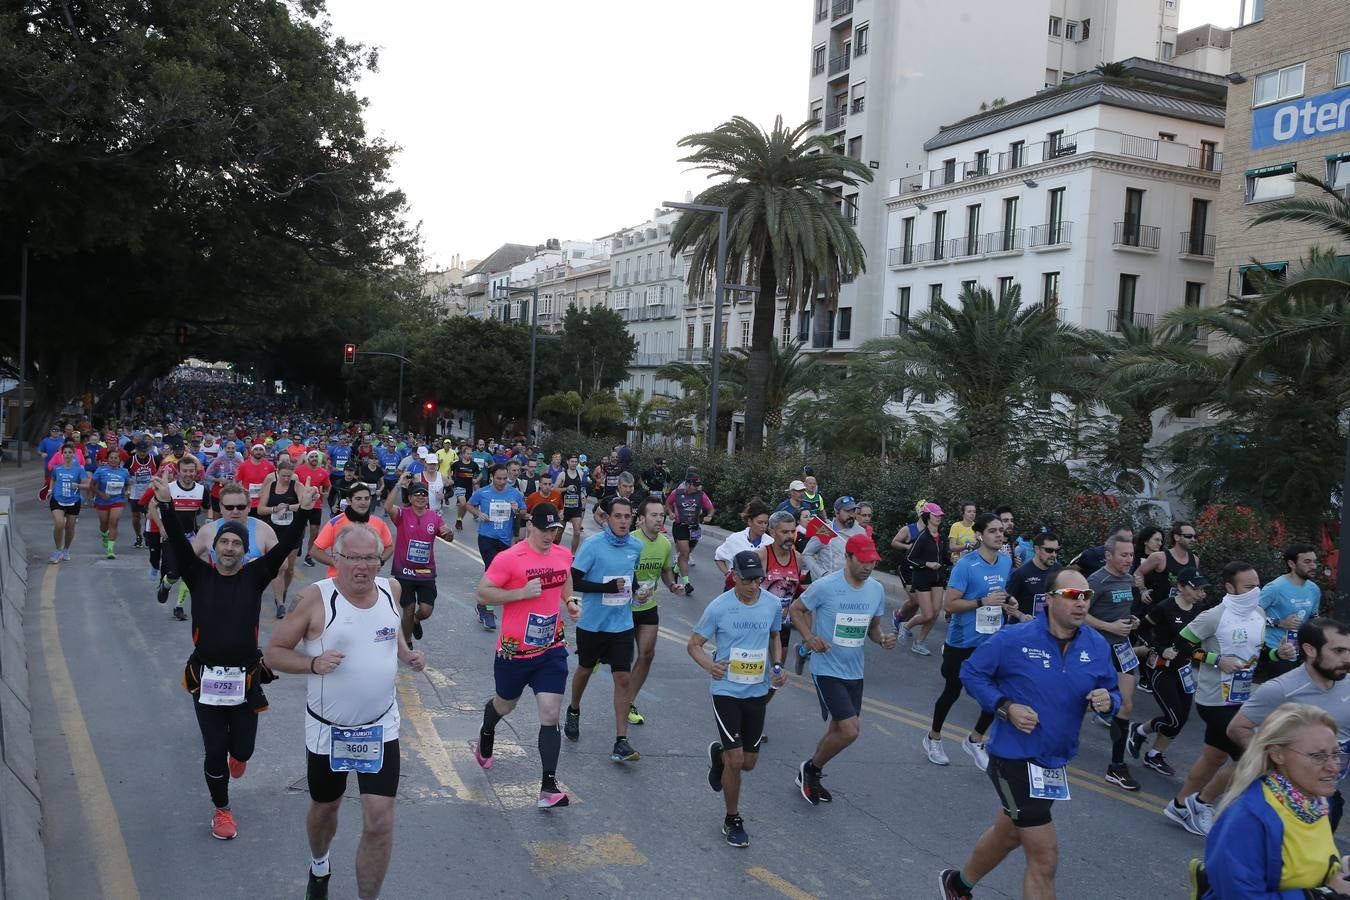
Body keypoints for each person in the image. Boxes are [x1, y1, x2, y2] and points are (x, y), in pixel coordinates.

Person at [264, 524, 427, 900]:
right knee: (326, 808)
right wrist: (313, 663)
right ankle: (319, 864)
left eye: (369, 558)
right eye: (352, 558)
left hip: (380, 728)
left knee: (380, 822)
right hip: (329, 731)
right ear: (335, 559)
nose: (362, 567)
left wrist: (406, 654)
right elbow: (274, 652)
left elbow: (391, 630)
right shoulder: (314, 599)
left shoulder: (392, 589)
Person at [938, 568, 1121, 900]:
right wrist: (1005, 706)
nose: (1081, 604)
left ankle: (957, 884)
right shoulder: (1014, 639)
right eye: (1072, 596)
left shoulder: (1096, 645)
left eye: (1086, 597)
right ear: (1049, 601)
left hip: (1053, 761)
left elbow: (1111, 692)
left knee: (1008, 834)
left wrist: (1109, 701)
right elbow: (972, 672)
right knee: (1045, 857)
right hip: (1013, 759)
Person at [153, 475, 316, 842]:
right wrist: (165, 505)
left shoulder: (255, 576)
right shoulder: (198, 575)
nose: (229, 548)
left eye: (236, 543)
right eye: (223, 542)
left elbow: (286, 546)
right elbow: (179, 544)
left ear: (245, 551)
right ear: (214, 550)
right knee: (214, 751)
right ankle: (222, 809)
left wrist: (304, 512)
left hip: (245, 680)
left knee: (242, 749)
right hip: (205, 679)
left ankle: (238, 757)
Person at [472, 504, 577, 808]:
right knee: (505, 704)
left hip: (550, 649)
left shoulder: (561, 554)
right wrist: (519, 593)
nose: (549, 536)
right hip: (513, 653)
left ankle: (548, 787)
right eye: (544, 530)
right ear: (530, 526)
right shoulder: (510, 558)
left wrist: (569, 600)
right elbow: (482, 592)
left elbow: (564, 577)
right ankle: (487, 729)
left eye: (554, 531)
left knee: (550, 714)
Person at [1162, 561, 1270, 837]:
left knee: (1213, 757)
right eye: (1248, 587)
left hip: (1242, 698)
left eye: (1257, 585)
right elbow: (1180, 646)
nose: (1254, 591)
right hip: (1215, 700)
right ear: (1230, 588)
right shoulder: (1214, 616)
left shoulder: (1258, 613)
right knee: (1252, 759)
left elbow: (1256, 655)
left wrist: (1277, 655)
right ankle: (1202, 804)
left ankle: (1178, 806)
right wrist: (1216, 659)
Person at [688, 550, 788, 848]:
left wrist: (778, 666)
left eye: (758, 579)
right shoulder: (719, 607)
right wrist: (710, 665)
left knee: (749, 763)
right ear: (735, 577)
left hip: (757, 690)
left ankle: (719, 755)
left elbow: (775, 637)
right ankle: (732, 818)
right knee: (736, 760)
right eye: (747, 579)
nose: (754, 585)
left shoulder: (771, 605)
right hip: (727, 691)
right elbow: (694, 645)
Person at [1201, 704, 1350, 900]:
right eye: (1318, 756)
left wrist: (1340, 869)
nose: (1334, 767)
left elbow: (1301, 869)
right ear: (1277, 754)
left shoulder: (1317, 804)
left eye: (1336, 754)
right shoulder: (1250, 818)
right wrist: (1322, 895)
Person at [789, 533, 895, 805]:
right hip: (827, 668)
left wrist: (882, 639)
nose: (869, 567)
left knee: (839, 729)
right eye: (863, 561)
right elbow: (796, 609)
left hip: (855, 670)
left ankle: (810, 772)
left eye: (873, 561)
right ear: (848, 557)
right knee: (850, 730)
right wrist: (810, 638)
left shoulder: (876, 590)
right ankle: (811, 769)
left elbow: (872, 628)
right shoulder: (826, 586)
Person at [1227, 618, 1350, 832]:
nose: (1347, 659)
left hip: (1326, 796)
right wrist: (1274, 765)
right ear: (1310, 650)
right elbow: (1238, 728)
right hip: (1286, 800)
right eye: (1339, 651)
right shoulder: (1281, 689)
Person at [924, 513, 1019, 770]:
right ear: (979, 535)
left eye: (1001, 531)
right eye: (993, 531)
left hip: (992, 641)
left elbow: (999, 591)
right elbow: (950, 605)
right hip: (963, 641)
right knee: (952, 690)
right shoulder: (965, 566)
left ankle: (975, 739)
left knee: (996, 694)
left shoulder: (1004, 562)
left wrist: (1009, 602)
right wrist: (981, 602)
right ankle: (933, 737)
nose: (1000, 535)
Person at [564, 496, 643, 762]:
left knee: (622, 678)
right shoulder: (593, 545)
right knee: (585, 670)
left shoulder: (636, 545)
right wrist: (605, 588)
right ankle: (574, 708)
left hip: (622, 624)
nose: (623, 521)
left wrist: (639, 592)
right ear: (607, 518)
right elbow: (575, 582)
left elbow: (633, 577)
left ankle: (621, 741)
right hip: (593, 624)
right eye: (618, 516)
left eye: (627, 516)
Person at [1126, 573, 1211, 777]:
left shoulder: (1202, 612)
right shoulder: (1164, 607)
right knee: (1173, 719)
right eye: (1197, 589)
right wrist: (1159, 648)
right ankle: (1138, 730)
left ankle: (1154, 754)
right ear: (1181, 587)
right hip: (1161, 669)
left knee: (1181, 718)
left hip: (1184, 670)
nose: (1201, 593)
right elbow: (1141, 631)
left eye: (1203, 590)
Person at [1085, 533, 1143, 791]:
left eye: (1131, 555)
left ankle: (1116, 766)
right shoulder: (1096, 580)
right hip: (1097, 650)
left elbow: (1123, 610)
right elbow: (1079, 614)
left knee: (1126, 705)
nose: (1129, 559)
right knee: (1080, 702)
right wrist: (1108, 626)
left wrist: (1132, 622)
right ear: (1109, 555)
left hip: (1122, 649)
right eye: (1124, 555)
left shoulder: (1129, 579)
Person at [626, 497, 685, 726]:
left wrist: (672, 585)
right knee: (621, 659)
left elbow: (666, 570)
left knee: (647, 655)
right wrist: (632, 590)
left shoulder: (665, 544)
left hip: (648, 607)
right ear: (640, 519)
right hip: (623, 608)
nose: (659, 519)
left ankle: (629, 702)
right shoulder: (630, 542)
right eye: (654, 515)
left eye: (661, 515)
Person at [384, 475, 453, 646]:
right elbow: (387, 507)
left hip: (426, 572)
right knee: (407, 609)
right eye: (417, 494)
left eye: (424, 494)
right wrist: (399, 485)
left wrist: (449, 533)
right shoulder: (402, 514)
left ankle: (416, 620)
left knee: (426, 610)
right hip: (404, 571)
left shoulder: (434, 518)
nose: (421, 497)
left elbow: (448, 537)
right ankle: (407, 643)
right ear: (410, 498)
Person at [466, 464, 526, 630]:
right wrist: (478, 514)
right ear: (492, 477)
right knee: (492, 574)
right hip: (487, 537)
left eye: (504, 478)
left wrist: (517, 510)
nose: (501, 482)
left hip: (505, 539)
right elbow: (469, 505)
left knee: (504, 576)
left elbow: (523, 511)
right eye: (498, 478)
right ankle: (488, 610)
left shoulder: (514, 493)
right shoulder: (483, 492)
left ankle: (482, 604)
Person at [1257, 544, 1322, 683]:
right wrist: (1280, 623)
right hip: (1276, 649)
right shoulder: (1274, 588)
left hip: (1301, 650)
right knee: (1282, 696)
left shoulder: (1314, 589)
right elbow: (1249, 617)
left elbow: (1313, 617)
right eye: (1307, 562)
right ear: (1292, 564)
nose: (1313, 566)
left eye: (1314, 561)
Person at [308, 484, 394, 578]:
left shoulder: (379, 523)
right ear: (349, 501)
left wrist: (380, 561)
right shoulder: (336, 522)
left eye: (367, 498)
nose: (363, 502)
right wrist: (339, 563)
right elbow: (315, 551)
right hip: (338, 580)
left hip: (366, 581)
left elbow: (389, 547)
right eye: (358, 499)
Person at [158, 455, 206, 619]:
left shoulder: (201, 490)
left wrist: (209, 524)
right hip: (171, 537)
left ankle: (179, 606)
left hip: (191, 538)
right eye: (185, 471)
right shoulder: (169, 489)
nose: (188, 474)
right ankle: (165, 585)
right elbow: (153, 506)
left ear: (196, 472)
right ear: (178, 472)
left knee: (188, 572)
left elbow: (209, 509)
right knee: (174, 573)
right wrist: (161, 527)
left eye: (191, 471)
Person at [896, 504, 945, 657]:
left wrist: (952, 560)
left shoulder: (940, 536)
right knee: (928, 614)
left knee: (936, 613)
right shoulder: (923, 537)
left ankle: (919, 643)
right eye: (935, 514)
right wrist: (927, 564)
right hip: (922, 579)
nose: (939, 517)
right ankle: (906, 625)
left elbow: (943, 556)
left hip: (937, 579)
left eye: (940, 515)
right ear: (927, 516)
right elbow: (910, 558)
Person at [759, 510, 805, 674]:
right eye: (784, 532)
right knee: (757, 673)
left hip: (781, 625)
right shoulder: (762, 555)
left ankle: (763, 701)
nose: (790, 536)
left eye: (793, 531)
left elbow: (796, 589)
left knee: (777, 674)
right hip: (759, 624)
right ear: (772, 531)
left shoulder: (798, 558)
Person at [257, 456, 303, 619]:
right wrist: (275, 509)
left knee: (289, 569)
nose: (285, 478)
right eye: (283, 475)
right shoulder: (271, 485)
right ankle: (280, 603)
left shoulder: (297, 486)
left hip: (292, 532)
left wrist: (289, 507)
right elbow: (261, 509)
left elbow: (304, 505)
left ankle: (282, 593)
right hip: (274, 531)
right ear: (277, 473)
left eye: (288, 476)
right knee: (280, 567)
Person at [192, 483, 277, 564]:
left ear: (249, 506)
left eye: (241, 507)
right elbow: (187, 559)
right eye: (229, 507)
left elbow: (283, 564)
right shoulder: (207, 531)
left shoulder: (264, 529)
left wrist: (260, 563)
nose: (235, 511)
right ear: (221, 507)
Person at [666, 469, 714, 595]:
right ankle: (687, 584)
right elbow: (668, 503)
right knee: (685, 553)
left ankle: (675, 570)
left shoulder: (701, 495)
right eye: (695, 485)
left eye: (699, 485)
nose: (697, 487)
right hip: (680, 526)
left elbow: (710, 508)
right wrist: (670, 513)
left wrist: (709, 516)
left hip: (694, 528)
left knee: (687, 553)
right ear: (688, 484)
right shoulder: (676, 493)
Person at [1134, 521, 1200, 606]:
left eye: (1195, 537)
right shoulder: (1159, 557)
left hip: (1186, 610)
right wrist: (1142, 591)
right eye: (1188, 536)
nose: (1193, 539)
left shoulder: (1195, 559)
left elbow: (1195, 583)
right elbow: (1138, 572)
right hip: (1161, 610)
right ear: (1176, 537)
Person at [47, 444, 90, 563]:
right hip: (57, 499)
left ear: (73, 454)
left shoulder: (79, 469)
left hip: (73, 501)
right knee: (59, 523)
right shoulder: (57, 468)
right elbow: (53, 479)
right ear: (62, 454)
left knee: (70, 527)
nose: (67, 455)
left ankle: (66, 549)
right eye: (65, 452)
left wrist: (78, 486)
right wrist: (50, 490)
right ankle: (57, 551)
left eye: (69, 452)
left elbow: (87, 485)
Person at [1004, 530, 1061, 619]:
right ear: (1037, 549)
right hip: (1025, 629)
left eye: (1056, 551)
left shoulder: (1060, 571)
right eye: (1049, 550)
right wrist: (1021, 616)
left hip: (1049, 627)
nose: (1053, 554)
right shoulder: (1021, 573)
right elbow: (1005, 602)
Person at [714, 499, 773, 580]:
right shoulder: (735, 539)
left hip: (758, 590)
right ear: (750, 521)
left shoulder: (771, 543)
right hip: (735, 589)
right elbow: (718, 558)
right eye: (760, 522)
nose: (763, 526)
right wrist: (728, 575)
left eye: (766, 523)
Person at [294, 450, 331, 567]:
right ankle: (297, 546)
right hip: (302, 504)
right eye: (312, 457)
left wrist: (326, 493)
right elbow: (293, 484)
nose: (314, 458)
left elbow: (328, 486)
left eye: (316, 457)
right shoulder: (299, 470)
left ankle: (308, 556)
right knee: (300, 530)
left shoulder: (323, 472)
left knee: (315, 531)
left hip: (316, 505)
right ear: (307, 458)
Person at [91, 449, 129, 559]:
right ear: (107, 459)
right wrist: (100, 494)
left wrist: (127, 491)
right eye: (111, 458)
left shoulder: (124, 472)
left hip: (117, 500)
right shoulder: (100, 470)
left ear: (119, 460)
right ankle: (104, 535)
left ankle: (110, 550)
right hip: (102, 501)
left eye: (115, 458)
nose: (113, 460)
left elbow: (127, 484)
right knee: (104, 524)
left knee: (114, 521)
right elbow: (92, 485)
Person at [125, 438, 160, 548]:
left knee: (150, 516)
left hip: (150, 492)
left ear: (148, 450)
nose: (142, 453)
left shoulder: (154, 459)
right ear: (136, 450)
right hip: (136, 493)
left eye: (144, 451)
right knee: (136, 517)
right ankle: (138, 535)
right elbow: (124, 474)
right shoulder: (131, 460)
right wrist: (128, 484)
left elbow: (161, 472)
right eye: (140, 451)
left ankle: (148, 534)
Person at [557, 454, 587, 553]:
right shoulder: (563, 474)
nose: (574, 463)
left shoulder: (581, 473)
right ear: (568, 462)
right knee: (560, 531)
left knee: (577, 532)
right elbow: (554, 489)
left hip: (576, 507)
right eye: (572, 461)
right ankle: (554, 550)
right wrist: (566, 488)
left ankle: (572, 554)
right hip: (564, 508)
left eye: (575, 461)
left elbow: (582, 488)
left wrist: (582, 495)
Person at [236, 443, 276, 514]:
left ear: (264, 452)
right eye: (256, 449)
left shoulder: (270, 466)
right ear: (252, 451)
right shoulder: (244, 465)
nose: (258, 451)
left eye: (261, 449)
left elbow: (274, 481)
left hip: (264, 502)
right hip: (248, 502)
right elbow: (237, 481)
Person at [448, 445, 480, 531]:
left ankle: (459, 519)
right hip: (459, 486)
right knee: (463, 503)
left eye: (471, 454)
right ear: (462, 454)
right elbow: (449, 470)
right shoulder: (457, 464)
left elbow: (480, 474)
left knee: (465, 505)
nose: (469, 455)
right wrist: (450, 478)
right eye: (468, 453)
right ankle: (460, 519)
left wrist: (476, 480)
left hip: (469, 487)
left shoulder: (474, 465)